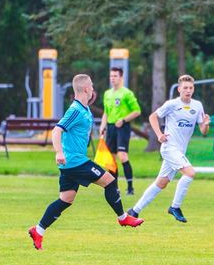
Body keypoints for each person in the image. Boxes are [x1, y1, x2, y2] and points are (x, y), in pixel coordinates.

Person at [28, 74, 144, 251]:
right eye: (91, 86)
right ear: (85, 89)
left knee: (66, 199)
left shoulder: (85, 109)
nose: (93, 89)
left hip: (71, 163)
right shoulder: (75, 110)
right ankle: (123, 218)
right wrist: (59, 152)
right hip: (75, 162)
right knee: (110, 181)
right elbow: (57, 130)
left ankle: (38, 230)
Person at [127, 74, 210, 223]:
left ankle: (134, 211)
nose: (188, 90)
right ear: (179, 89)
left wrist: (205, 124)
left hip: (180, 151)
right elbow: (153, 117)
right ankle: (175, 207)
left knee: (161, 183)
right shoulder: (172, 104)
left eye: (191, 88)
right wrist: (159, 134)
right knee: (190, 173)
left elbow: (203, 131)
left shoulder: (197, 106)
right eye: (185, 88)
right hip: (169, 148)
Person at [99, 67, 141, 195]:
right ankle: (114, 188)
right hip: (111, 128)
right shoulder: (107, 94)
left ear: (121, 77)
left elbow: (137, 111)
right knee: (111, 159)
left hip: (122, 127)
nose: (112, 78)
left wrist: (123, 120)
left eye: (115, 76)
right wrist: (102, 126)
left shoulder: (127, 93)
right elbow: (106, 112)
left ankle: (130, 188)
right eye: (111, 76)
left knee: (122, 156)